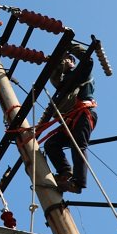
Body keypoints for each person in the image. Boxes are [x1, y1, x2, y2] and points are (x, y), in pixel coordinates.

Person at [44, 44, 97, 194]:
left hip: (83, 113)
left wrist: (70, 46)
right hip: (69, 121)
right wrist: (58, 63)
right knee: (51, 144)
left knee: (78, 145)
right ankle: (65, 172)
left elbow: (88, 61)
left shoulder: (82, 73)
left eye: (69, 59)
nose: (66, 61)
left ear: (73, 61)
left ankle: (77, 184)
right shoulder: (64, 83)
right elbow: (55, 79)